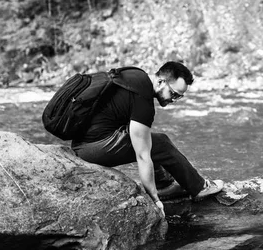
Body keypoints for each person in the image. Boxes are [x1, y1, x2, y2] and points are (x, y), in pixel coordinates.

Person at [71, 61, 223, 218]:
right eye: (174, 94)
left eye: (180, 97)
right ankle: (198, 188)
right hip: (91, 149)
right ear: (160, 82)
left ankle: (164, 185)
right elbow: (142, 156)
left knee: (149, 138)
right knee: (160, 143)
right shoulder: (142, 99)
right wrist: (154, 200)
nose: (174, 100)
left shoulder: (135, 75)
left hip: (85, 144)